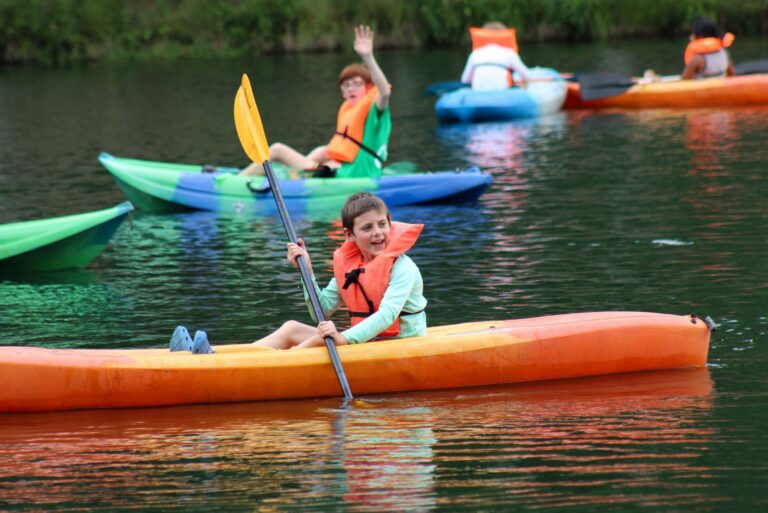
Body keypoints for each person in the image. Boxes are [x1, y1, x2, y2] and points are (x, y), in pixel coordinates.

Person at [251, 192, 427, 349]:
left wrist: (343, 338)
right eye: (367, 228)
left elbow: (387, 315)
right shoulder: (351, 268)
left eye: (382, 224)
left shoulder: (404, 268)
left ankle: (272, 366)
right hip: (366, 342)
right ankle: (238, 357)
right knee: (291, 328)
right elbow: (322, 311)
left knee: (319, 340)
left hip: (401, 344)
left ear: (390, 224)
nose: (377, 232)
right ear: (349, 234)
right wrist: (307, 272)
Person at [240, 25, 392, 179]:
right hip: (339, 171)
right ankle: (297, 174)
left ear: (367, 88)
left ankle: (238, 181)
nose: (351, 89)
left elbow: (385, 92)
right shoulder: (348, 110)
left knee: (276, 150)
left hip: (355, 176)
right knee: (323, 150)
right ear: (342, 92)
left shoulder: (375, 111)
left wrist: (368, 57)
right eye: (346, 85)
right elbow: (341, 149)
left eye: (357, 84)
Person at [460, 22, 532, 91]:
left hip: (478, 93)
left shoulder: (475, 54)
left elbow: (465, 80)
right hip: (503, 94)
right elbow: (527, 77)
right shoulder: (510, 53)